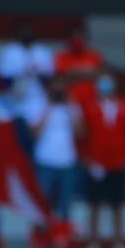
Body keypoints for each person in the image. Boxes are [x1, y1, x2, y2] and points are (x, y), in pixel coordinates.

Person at [82, 73, 125, 248]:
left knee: (117, 206)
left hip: (118, 164)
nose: (105, 85)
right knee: (94, 205)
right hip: (96, 165)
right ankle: (93, 246)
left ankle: (118, 246)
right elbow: (82, 135)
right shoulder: (89, 107)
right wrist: (87, 159)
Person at [30, 80, 83, 219]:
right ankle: (41, 230)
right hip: (45, 161)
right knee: (42, 202)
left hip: (67, 161)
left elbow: (79, 133)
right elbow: (35, 133)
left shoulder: (73, 107)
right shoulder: (39, 106)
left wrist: (69, 107)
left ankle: (63, 230)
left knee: (65, 203)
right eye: (55, 89)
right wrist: (48, 107)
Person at [0, 20, 53, 135]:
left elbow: (50, 80)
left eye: (28, 30)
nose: (26, 33)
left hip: (38, 100)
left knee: (38, 132)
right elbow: (4, 81)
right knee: (18, 134)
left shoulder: (42, 51)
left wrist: (38, 73)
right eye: (22, 31)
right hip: (16, 100)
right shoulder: (9, 52)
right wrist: (22, 73)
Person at [54, 24, 103, 107]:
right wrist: (87, 73)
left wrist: (75, 73)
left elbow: (100, 74)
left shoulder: (94, 55)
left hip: (92, 99)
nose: (77, 40)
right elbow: (62, 77)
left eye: (80, 36)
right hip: (70, 101)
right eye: (74, 37)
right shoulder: (61, 56)